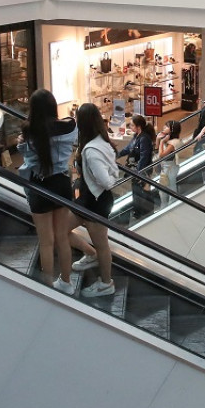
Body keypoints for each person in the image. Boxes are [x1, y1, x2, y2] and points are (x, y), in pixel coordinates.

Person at [17, 88, 78, 291]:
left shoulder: (29, 131)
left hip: (39, 187)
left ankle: (48, 285)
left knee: (45, 241)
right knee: (62, 236)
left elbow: (25, 154)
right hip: (61, 184)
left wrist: (21, 145)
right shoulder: (69, 127)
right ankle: (67, 282)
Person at [71, 102, 119, 298]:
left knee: (102, 244)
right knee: (59, 228)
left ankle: (106, 283)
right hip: (88, 199)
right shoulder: (101, 142)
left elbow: (107, 181)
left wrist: (105, 178)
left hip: (95, 202)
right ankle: (91, 254)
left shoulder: (91, 150)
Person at [118, 113, 156, 218]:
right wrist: (117, 154)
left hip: (143, 170)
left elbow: (144, 156)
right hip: (135, 169)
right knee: (137, 191)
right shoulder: (136, 136)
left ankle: (146, 212)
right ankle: (138, 211)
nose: (130, 127)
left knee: (144, 190)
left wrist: (138, 172)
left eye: (132, 125)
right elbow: (128, 148)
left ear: (138, 127)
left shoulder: (144, 138)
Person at [154, 119, 183, 207]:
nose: (164, 127)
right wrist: (158, 139)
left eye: (166, 126)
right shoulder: (167, 139)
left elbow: (162, 154)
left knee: (170, 185)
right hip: (165, 167)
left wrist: (161, 142)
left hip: (170, 167)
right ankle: (165, 204)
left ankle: (171, 204)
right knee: (164, 186)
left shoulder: (173, 142)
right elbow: (156, 150)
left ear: (172, 129)